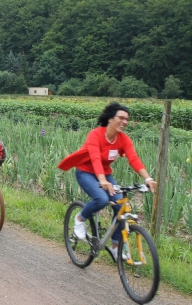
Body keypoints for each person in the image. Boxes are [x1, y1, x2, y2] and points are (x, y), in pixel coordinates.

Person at [57, 102, 157, 261]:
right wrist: (102, 180)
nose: (124, 122)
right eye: (121, 118)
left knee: (121, 206)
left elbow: (133, 158)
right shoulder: (95, 135)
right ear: (110, 119)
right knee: (102, 199)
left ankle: (115, 246)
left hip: (105, 175)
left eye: (127, 119)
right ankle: (80, 218)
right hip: (85, 172)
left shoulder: (123, 139)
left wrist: (148, 178)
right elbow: (95, 158)